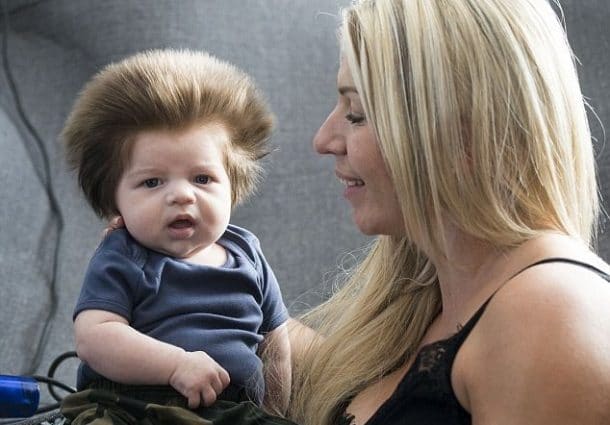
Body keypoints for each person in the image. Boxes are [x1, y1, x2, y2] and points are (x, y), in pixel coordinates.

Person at [287, 0, 610, 424]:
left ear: (464, 131)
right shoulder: (433, 297)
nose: (324, 140)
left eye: (357, 114)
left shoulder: (547, 316)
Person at [60, 49, 292, 422]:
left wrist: (276, 411)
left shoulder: (248, 254)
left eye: (202, 178)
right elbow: (94, 338)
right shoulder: (124, 254)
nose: (182, 195)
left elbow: (276, 348)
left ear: (233, 185)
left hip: (231, 409)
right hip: (129, 404)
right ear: (114, 201)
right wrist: (175, 365)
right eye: (152, 182)